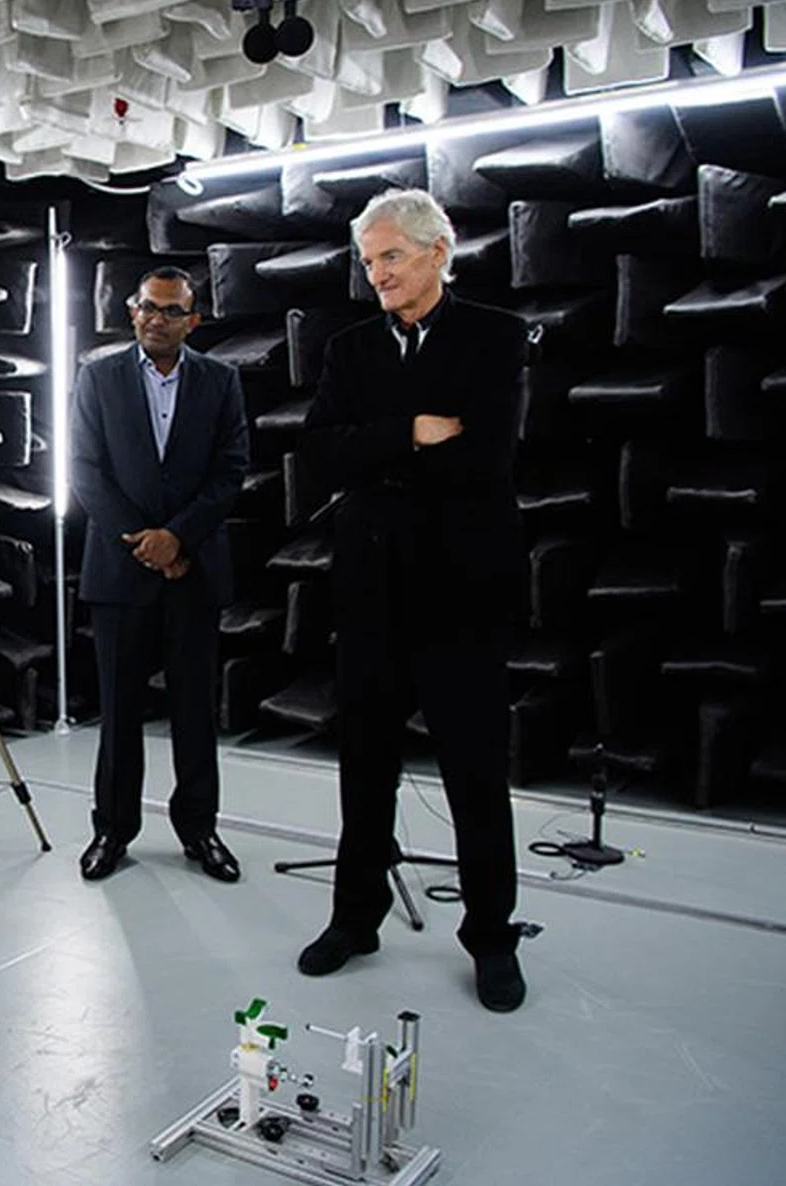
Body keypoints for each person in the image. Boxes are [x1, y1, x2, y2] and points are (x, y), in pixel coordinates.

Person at [295, 187, 531, 1013]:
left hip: (462, 590)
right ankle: (355, 917)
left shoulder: (495, 336)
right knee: (364, 767)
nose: (378, 274)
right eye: (368, 261)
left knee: (474, 772)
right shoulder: (350, 348)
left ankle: (492, 937)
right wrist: (410, 432)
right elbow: (320, 452)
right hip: (369, 591)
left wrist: (377, 454)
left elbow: (486, 457)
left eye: (391, 256)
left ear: (439, 250)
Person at [69, 266, 251, 883]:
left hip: (193, 572)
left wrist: (179, 539)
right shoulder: (98, 377)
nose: (156, 318)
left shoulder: (221, 381)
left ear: (192, 320)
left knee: (195, 711)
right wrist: (148, 544)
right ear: (131, 308)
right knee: (118, 714)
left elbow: (231, 471)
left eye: (172, 311)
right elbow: (86, 472)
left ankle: (200, 830)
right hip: (120, 574)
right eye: (148, 307)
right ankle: (112, 831)